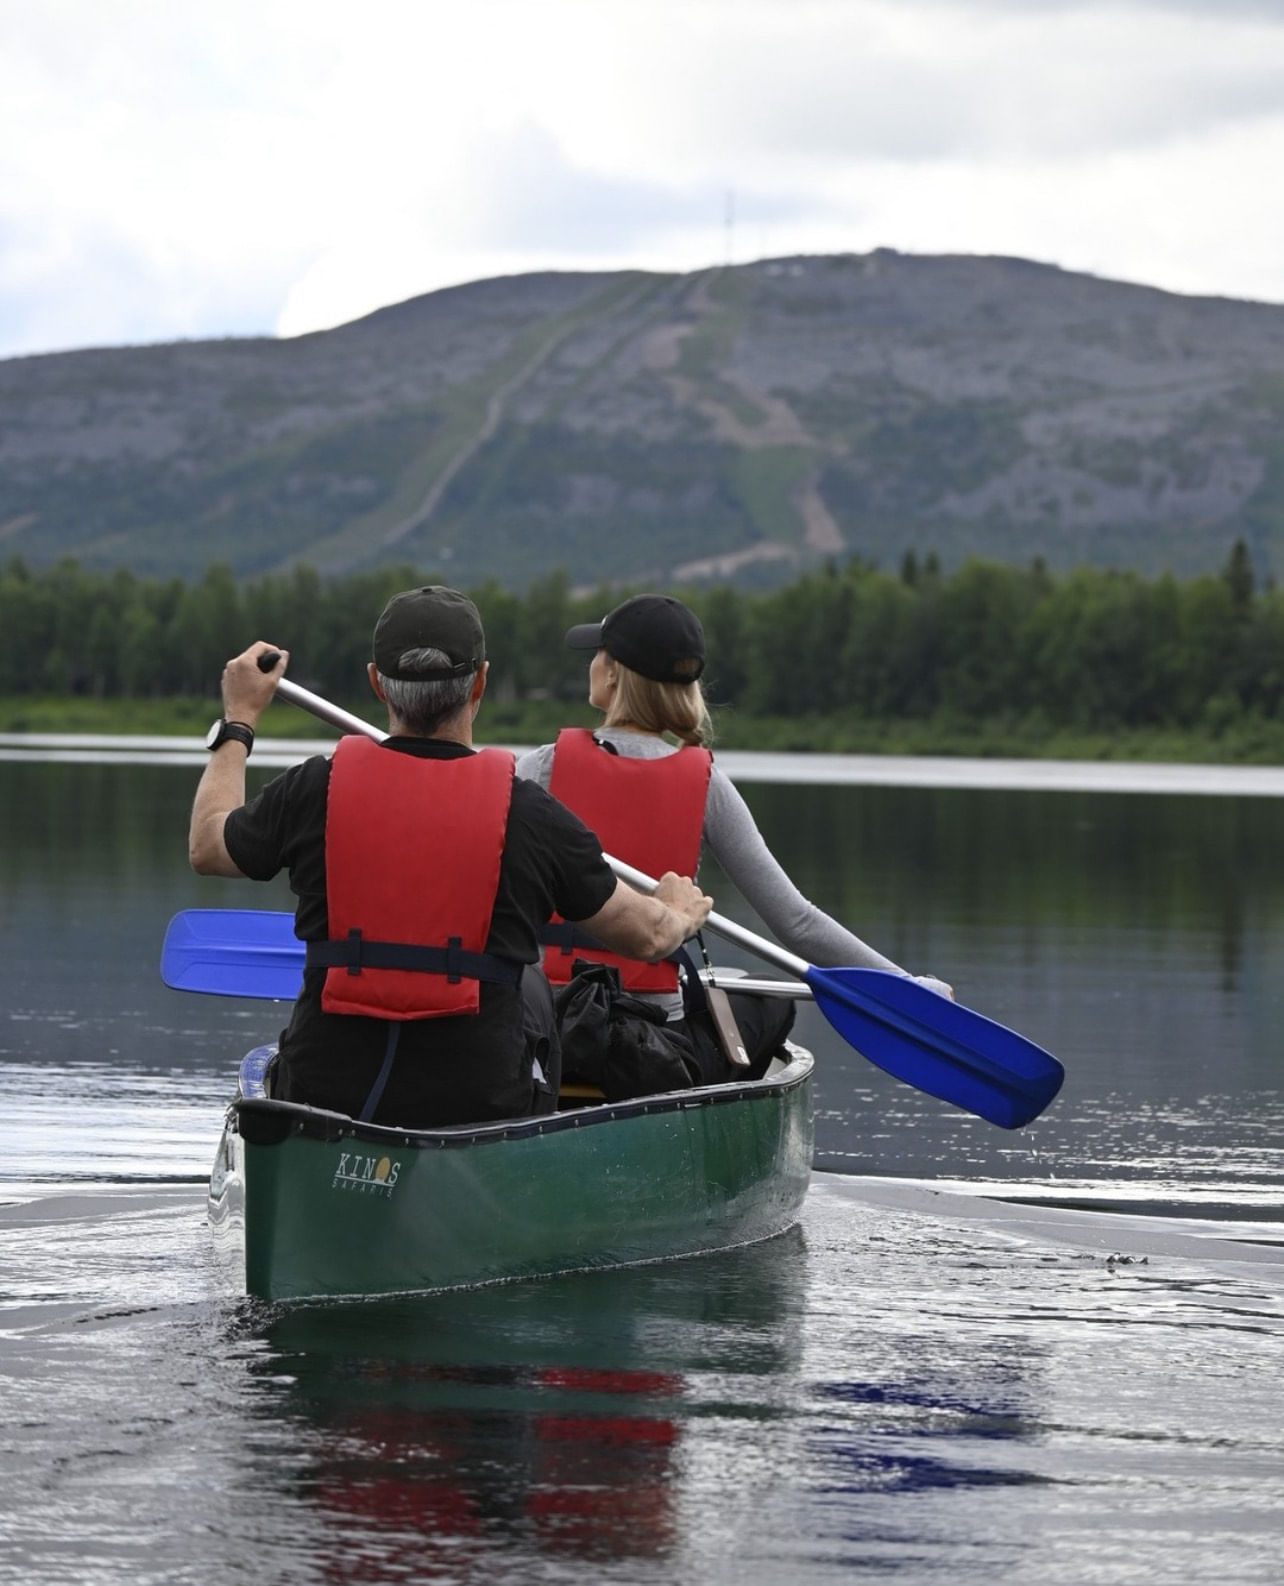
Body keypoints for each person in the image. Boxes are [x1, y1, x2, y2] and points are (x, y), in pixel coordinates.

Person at [187, 585, 713, 1128]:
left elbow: (208, 845)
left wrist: (239, 722)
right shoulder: (529, 814)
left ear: (376, 682)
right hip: (476, 1103)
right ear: (480, 681)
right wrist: (678, 910)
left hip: (328, 1086)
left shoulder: (313, 790)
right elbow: (646, 937)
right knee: (531, 979)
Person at [515, 593, 953, 1084]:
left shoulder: (540, 768)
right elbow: (796, 923)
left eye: (598, 653)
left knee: (729, 986)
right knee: (762, 1000)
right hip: (650, 1032)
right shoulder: (705, 784)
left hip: (545, 1023)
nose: (592, 663)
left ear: (614, 673)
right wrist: (907, 987)